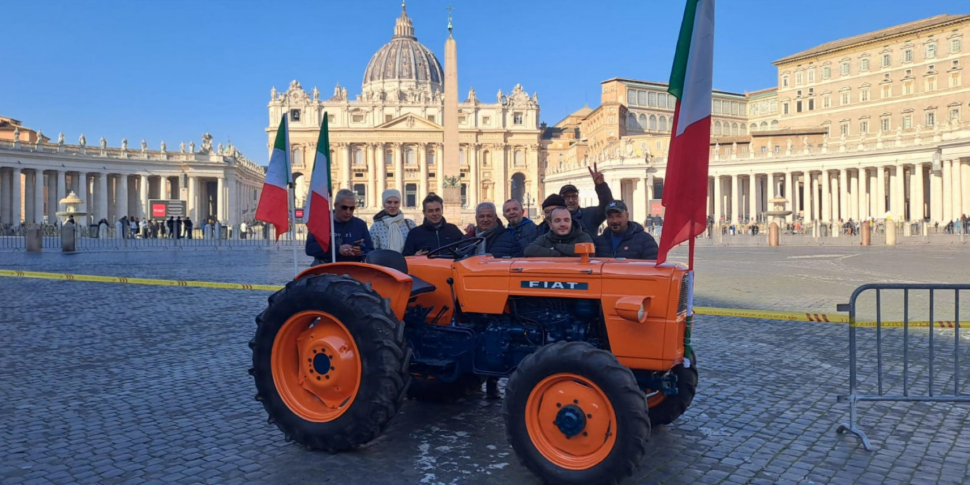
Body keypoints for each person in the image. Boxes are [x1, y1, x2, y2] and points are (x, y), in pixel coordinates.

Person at [306, 189, 373, 265]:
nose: (348, 212)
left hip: (352, 270)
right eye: (344, 208)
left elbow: (369, 250)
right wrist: (337, 250)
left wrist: (361, 252)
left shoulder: (360, 224)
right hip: (326, 270)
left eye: (351, 208)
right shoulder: (320, 223)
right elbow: (310, 248)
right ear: (335, 205)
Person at [560, 163, 614, 237]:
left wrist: (601, 186)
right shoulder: (555, 219)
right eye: (566, 197)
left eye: (574, 196)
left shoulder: (589, 214)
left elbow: (608, 207)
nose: (571, 200)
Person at [594, 201, 658, 260]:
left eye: (619, 216)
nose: (614, 221)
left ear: (627, 216)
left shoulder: (645, 240)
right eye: (610, 217)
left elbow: (653, 267)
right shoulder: (599, 242)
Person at [524, 207, 594, 257]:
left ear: (571, 222)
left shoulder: (583, 236)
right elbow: (529, 250)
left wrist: (556, 246)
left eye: (566, 220)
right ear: (550, 225)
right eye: (557, 221)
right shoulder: (545, 238)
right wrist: (558, 254)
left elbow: (590, 252)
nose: (562, 224)